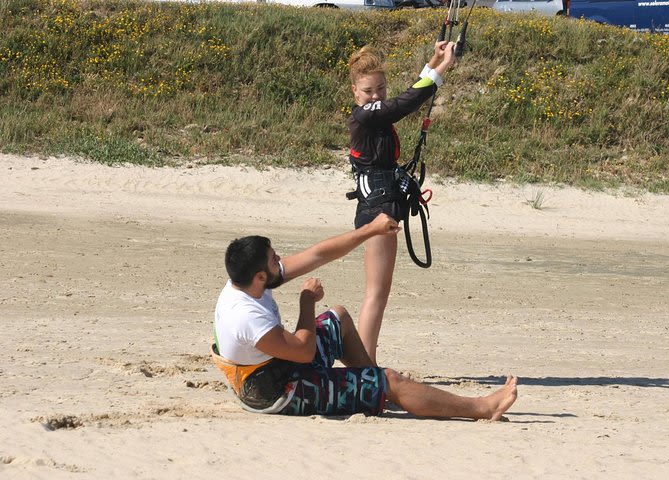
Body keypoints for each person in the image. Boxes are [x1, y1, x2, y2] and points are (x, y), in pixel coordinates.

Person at [212, 213, 518, 419]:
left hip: (280, 365)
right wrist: (306, 302)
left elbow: (318, 254)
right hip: (278, 393)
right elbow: (304, 352)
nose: (280, 260)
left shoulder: (249, 281)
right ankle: (479, 407)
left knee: (339, 317)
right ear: (260, 277)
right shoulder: (246, 315)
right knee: (389, 379)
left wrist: (370, 230)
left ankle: (382, 392)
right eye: (274, 259)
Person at [346, 41, 457, 364]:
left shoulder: (373, 114)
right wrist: (441, 69)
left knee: (378, 292)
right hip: (376, 206)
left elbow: (396, 102)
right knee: (376, 293)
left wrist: (432, 63)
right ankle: (365, 367)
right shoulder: (364, 117)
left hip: (381, 199)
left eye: (380, 88)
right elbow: (402, 104)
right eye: (368, 90)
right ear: (355, 92)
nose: (376, 95)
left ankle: (365, 363)